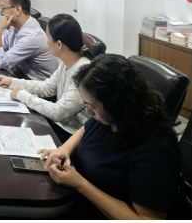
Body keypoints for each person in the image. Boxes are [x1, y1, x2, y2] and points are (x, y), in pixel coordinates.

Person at [39, 54, 181, 220]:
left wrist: (80, 184)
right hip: (74, 199)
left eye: (93, 107)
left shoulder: (156, 149)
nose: (89, 112)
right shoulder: (109, 117)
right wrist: (64, 149)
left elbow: (148, 219)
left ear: (117, 103)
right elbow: (84, 129)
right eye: (87, 104)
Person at [0, 14, 91, 141]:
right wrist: (12, 82)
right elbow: (47, 87)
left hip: (72, 135)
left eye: (48, 37)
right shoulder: (66, 63)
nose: (46, 41)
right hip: (60, 125)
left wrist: (23, 95)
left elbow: (58, 112)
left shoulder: (83, 72)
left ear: (59, 44)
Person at [0, 0, 58, 80]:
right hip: (20, 75)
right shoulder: (13, 27)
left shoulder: (32, 36)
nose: (1, 13)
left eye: (3, 9)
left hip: (38, 85)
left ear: (18, 10)